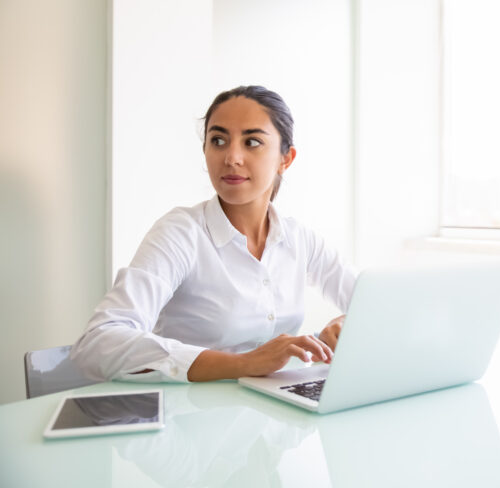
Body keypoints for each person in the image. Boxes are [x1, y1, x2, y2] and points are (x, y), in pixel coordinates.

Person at [71, 85, 356, 383]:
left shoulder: (299, 238)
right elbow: (97, 343)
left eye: (252, 142)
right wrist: (243, 363)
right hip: (193, 418)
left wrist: (345, 324)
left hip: (275, 417)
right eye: (218, 140)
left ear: (286, 159)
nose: (232, 157)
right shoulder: (181, 233)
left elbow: (374, 304)